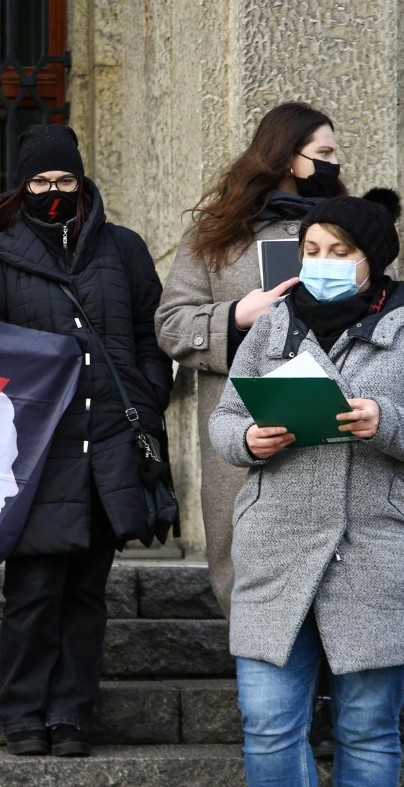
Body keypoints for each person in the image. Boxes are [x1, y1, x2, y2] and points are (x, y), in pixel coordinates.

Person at [208, 191, 404, 787]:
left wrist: (384, 424)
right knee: (266, 722)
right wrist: (249, 439)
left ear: (371, 257)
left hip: (372, 551)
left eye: (338, 252)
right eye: (312, 250)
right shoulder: (279, 320)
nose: (321, 265)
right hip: (277, 546)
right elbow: (228, 416)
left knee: (367, 725)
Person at [0, 124, 173, 758]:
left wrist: (147, 397)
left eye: (64, 181)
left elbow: (148, 334)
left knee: (86, 590)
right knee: (33, 589)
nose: (53, 192)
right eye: (40, 182)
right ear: (22, 188)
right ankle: (23, 712)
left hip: (109, 446)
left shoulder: (124, 249)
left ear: (82, 183)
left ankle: (74, 712)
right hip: (37, 455)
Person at [156, 101, 346, 616]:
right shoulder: (218, 232)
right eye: (323, 152)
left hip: (339, 425)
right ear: (288, 158)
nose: (335, 163)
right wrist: (238, 315)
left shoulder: (353, 229)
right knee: (246, 577)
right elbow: (171, 324)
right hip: (245, 425)